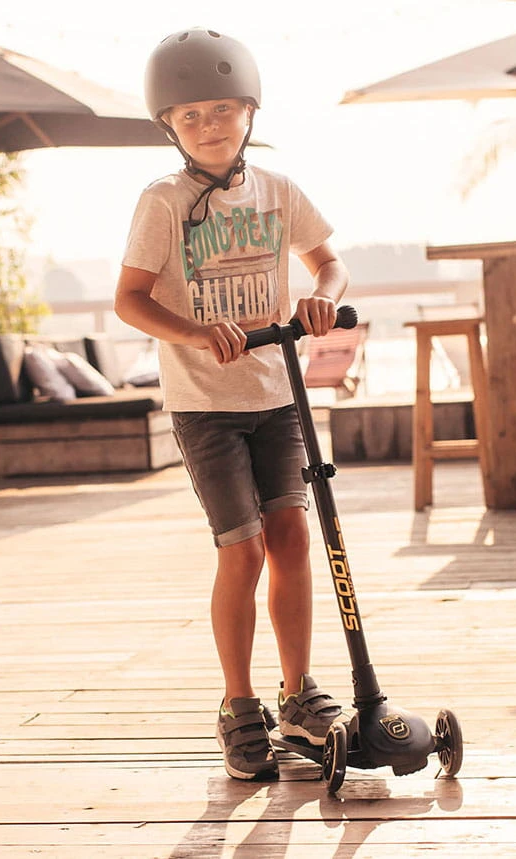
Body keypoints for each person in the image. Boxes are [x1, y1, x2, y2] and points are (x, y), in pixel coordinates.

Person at [114, 27, 350, 781]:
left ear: (249, 110)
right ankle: (238, 705)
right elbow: (128, 299)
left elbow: (330, 263)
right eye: (191, 115)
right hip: (204, 403)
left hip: (277, 394)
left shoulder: (278, 190)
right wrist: (193, 331)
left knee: (292, 537)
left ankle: (298, 694)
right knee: (241, 548)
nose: (209, 124)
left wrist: (320, 298)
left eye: (222, 108)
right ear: (169, 125)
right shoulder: (162, 200)